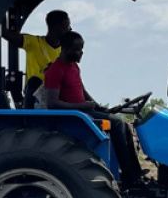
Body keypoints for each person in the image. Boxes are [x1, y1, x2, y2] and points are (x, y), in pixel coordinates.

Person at [45, 31, 144, 186]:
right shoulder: (55, 71)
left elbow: (83, 91)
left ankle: (134, 172)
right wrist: (81, 106)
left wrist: (100, 107)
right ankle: (128, 174)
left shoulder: (74, 67)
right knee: (117, 124)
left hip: (85, 111)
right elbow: (52, 103)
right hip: (74, 117)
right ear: (65, 49)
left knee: (124, 125)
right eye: (77, 49)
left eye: (82, 49)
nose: (81, 53)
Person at [2, 10, 71, 109]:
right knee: (35, 81)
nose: (70, 29)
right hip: (35, 95)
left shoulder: (66, 51)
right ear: (57, 27)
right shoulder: (34, 43)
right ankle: (30, 114)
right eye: (67, 26)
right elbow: (5, 33)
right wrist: (2, 10)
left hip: (57, 94)